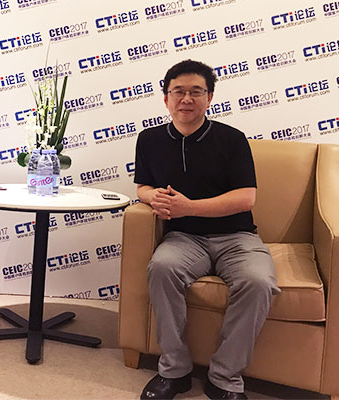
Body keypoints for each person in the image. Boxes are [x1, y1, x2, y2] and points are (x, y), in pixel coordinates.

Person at [134, 60, 279, 400]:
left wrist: (189, 207)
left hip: (237, 237)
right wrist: (152, 196)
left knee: (259, 282)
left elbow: (246, 198)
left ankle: (224, 378)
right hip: (183, 238)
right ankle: (174, 371)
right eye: (178, 91)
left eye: (196, 91)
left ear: (209, 97)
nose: (186, 99)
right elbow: (142, 186)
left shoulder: (232, 139)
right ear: (166, 98)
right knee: (161, 268)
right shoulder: (149, 139)